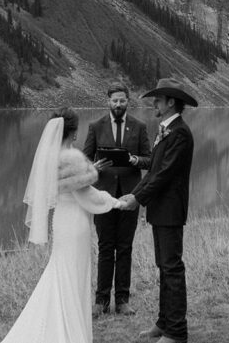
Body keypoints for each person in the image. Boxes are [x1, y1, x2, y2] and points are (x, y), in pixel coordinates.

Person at [0, 108, 121, 343]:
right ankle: (70, 331)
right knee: (74, 274)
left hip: (61, 219)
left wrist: (91, 171)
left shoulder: (52, 156)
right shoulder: (71, 157)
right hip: (76, 222)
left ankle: (57, 320)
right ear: (74, 133)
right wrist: (114, 201)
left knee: (61, 269)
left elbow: (70, 186)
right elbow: (86, 194)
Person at [115, 78, 197, 343]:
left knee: (172, 268)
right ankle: (163, 323)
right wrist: (135, 194)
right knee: (164, 267)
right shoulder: (167, 131)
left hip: (171, 210)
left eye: (158, 100)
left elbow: (163, 175)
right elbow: (152, 172)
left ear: (171, 102)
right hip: (161, 209)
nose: (154, 104)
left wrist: (137, 200)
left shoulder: (180, 133)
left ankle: (176, 331)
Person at [82, 84, 152, 317]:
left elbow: (150, 160)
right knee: (105, 248)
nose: (118, 105)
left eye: (122, 101)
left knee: (125, 248)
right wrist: (94, 167)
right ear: (108, 101)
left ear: (127, 101)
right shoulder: (95, 127)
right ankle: (101, 301)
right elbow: (83, 161)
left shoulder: (140, 127)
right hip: (102, 197)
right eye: (115, 101)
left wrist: (134, 160)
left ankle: (122, 300)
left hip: (130, 197)